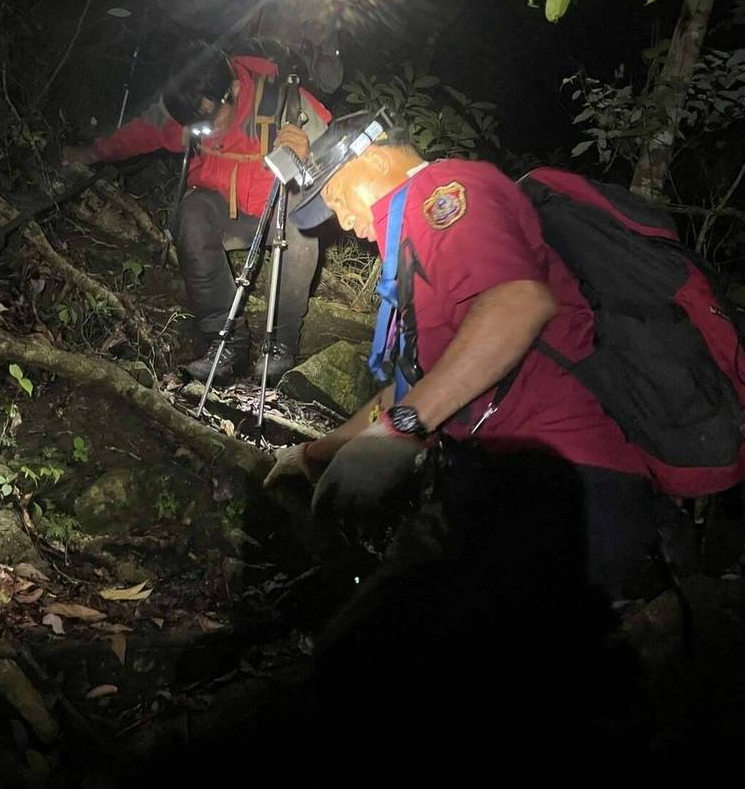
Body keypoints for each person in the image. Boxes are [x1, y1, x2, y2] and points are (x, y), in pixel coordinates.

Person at [263, 110, 744, 598]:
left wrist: (399, 430)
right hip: (509, 478)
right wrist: (315, 452)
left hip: (567, 483)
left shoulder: (443, 192)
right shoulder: (413, 240)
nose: (344, 221)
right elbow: (422, 386)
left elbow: (517, 305)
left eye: (338, 197)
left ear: (373, 156)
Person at [63, 38, 332, 384]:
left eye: (210, 119)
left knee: (304, 225)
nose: (205, 130)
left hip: (278, 212)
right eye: (195, 124)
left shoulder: (284, 104)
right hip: (224, 210)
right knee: (189, 215)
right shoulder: (187, 106)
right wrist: (89, 154)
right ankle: (226, 343)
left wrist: (310, 155)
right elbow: (142, 132)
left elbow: (340, 155)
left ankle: (280, 345)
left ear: (233, 89)